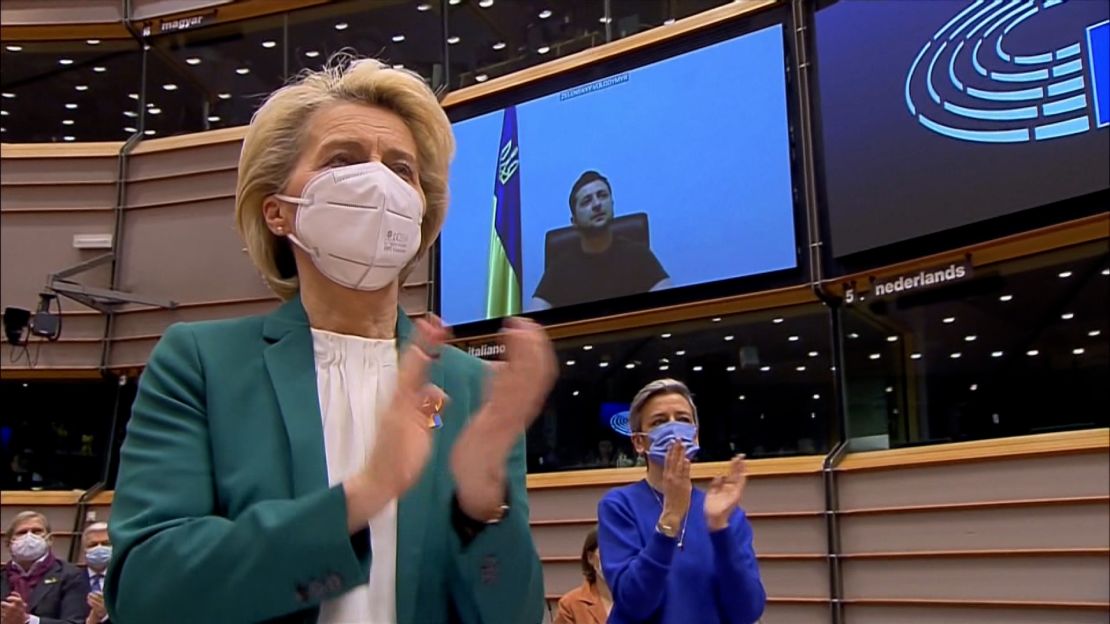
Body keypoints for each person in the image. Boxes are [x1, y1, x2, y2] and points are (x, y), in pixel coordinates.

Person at [105, 57, 557, 624]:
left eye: (402, 169)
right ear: (277, 211)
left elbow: (512, 614)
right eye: (342, 159)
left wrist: (482, 506)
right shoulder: (202, 364)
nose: (379, 184)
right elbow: (149, 591)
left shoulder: (468, 387)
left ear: (421, 212)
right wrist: (364, 493)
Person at [597, 379, 765, 624]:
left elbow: (747, 611)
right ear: (639, 442)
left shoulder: (725, 513)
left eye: (683, 419)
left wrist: (719, 528)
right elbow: (634, 603)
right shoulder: (619, 506)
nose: (674, 429)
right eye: (659, 421)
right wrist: (669, 520)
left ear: (695, 437)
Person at [532, 171, 670, 309]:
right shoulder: (559, 269)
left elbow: (668, 301)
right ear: (574, 222)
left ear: (612, 205)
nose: (597, 204)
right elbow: (534, 318)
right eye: (586, 201)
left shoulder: (638, 254)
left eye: (602, 196)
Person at [1, 511, 89, 624]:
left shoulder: (71, 575)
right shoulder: (3, 576)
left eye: (37, 531)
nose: (29, 536)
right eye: (22, 532)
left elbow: (75, 622)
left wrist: (28, 620)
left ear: (50, 540)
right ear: (9, 543)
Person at [554, 528, 611, 624]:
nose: (613, 558)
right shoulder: (570, 605)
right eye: (606, 550)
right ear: (590, 557)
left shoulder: (641, 601)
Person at [79, 524, 110, 624]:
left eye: (106, 544)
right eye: (93, 545)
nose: (99, 548)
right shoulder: (71, 578)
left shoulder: (127, 579)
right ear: (84, 550)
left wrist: (105, 615)